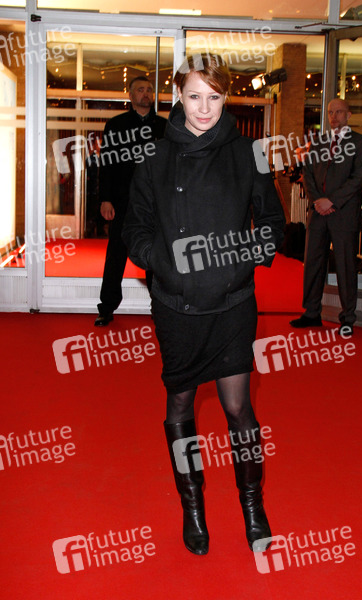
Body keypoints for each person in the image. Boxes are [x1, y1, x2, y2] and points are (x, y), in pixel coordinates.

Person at [122, 54, 285, 555]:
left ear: (225, 98)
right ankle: (192, 506)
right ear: (179, 95)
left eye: (214, 97)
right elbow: (135, 227)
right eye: (195, 96)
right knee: (180, 405)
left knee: (239, 408)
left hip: (232, 302)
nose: (205, 108)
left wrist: (238, 259)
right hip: (176, 304)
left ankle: (253, 505)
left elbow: (273, 223)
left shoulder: (249, 152)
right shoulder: (154, 156)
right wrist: (163, 264)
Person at [290, 98, 362, 335]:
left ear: (349, 115)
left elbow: (358, 178)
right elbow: (307, 173)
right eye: (330, 112)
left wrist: (332, 201)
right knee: (313, 264)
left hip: (343, 214)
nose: (334, 116)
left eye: (339, 112)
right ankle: (311, 313)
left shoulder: (361, 143)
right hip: (318, 213)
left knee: (346, 267)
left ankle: (347, 318)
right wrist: (318, 200)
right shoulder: (318, 143)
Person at [94, 76, 167, 326]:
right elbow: (106, 164)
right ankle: (106, 307)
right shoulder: (116, 125)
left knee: (155, 257)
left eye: (149, 90)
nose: (146, 94)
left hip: (155, 205)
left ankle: (160, 307)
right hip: (122, 202)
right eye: (140, 90)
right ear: (131, 95)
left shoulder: (164, 127)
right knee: (116, 255)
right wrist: (105, 199)